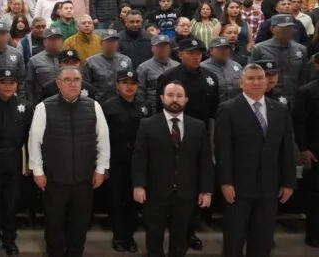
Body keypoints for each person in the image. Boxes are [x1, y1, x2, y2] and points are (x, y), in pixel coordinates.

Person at [215, 63, 297, 257]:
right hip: (238, 187)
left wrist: (288, 182)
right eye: (250, 78)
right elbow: (222, 149)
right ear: (241, 83)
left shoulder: (280, 110)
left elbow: (286, 149)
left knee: (263, 240)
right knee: (234, 239)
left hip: (269, 187)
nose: (256, 82)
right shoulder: (228, 109)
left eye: (260, 78)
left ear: (267, 82)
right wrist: (225, 182)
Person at [28, 66, 110, 257]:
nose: (72, 83)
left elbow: (103, 140)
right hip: (54, 179)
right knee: (54, 223)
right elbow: (34, 141)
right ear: (58, 83)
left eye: (76, 79)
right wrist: (37, 171)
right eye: (67, 80)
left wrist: (101, 169)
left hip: (84, 179)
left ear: (82, 83)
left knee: (80, 223)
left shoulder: (94, 106)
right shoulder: (43, 108)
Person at [132, 81, 214, 257]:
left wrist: (206, 190)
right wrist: (138, 185)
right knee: (154, 237)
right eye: (170, 95)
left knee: (180, 239)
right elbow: (140, 158)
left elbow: (205, 161)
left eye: (179, 95)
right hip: (155, 192)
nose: (174, 99)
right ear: (162, 98)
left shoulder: (198, 126)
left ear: (186, 99)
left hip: (186, 193)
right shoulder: (147, 124)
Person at [100, 70, 151, 252]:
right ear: (117, 85)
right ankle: (118, 236)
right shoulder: (108, 106)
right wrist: (103, 165)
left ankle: (129, 237)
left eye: (133, 83)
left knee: (133, 200)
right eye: (125, 83)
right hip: (116, 159)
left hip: (137, 160)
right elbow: (101, 137)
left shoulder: (144, 106)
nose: (129, 87)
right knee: (116, 200)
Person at [0, 69, 32, 256]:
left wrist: (29, 164)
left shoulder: (25, 107)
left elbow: (29, 137)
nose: (7, 86)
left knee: (11, 204)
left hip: (15, 161)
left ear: (17, 85)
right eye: (3, 82)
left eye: (11, 83)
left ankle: (9, 240)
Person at [249, 14, 309, 104]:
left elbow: (304, 77)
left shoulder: (301, 49)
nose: (287, 31)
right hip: (268, 99)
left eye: (290, 28)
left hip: (294, 98)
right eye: (283, 28)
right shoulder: (259, 49)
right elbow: (251, 75)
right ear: (272, 29)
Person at [294, 54, 319, 248]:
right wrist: (304, 149)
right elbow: (300, 123)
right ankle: (314, 234)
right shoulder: (306, 91)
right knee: (314, 195)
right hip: (315, 151)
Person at [83, 30, 133, 100]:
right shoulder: (91, 62)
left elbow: (131, 83)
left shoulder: (126, 60)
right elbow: (87, 86)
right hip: (100, 100)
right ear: (101, 43)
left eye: (114, 41)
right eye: (108, 41)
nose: (111, 44)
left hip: (122, 100)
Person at [136, 35, 179, 107]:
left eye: (165, 46)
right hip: (153, 107)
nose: (163, 49)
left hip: (174, 105)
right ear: (152, 48)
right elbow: (140, 92)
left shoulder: (177, 66)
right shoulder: (143, 68)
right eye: (159, 46)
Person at [26, 27, 63, 106]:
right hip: (43, 102)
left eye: (57, 39)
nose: (55, 42)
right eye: (52, 39)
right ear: (45, 42)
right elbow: (29, 87)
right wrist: (32, 105)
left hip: (66, 102)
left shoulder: (69, 59)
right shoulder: (34, 60)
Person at [201, 37, 243, 101]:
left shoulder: (237, 66)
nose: (224, 51)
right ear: (211, 51)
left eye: (226, 48)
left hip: (236, 104)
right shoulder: (203, 67)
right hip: (215, 105)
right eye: (220, 49)